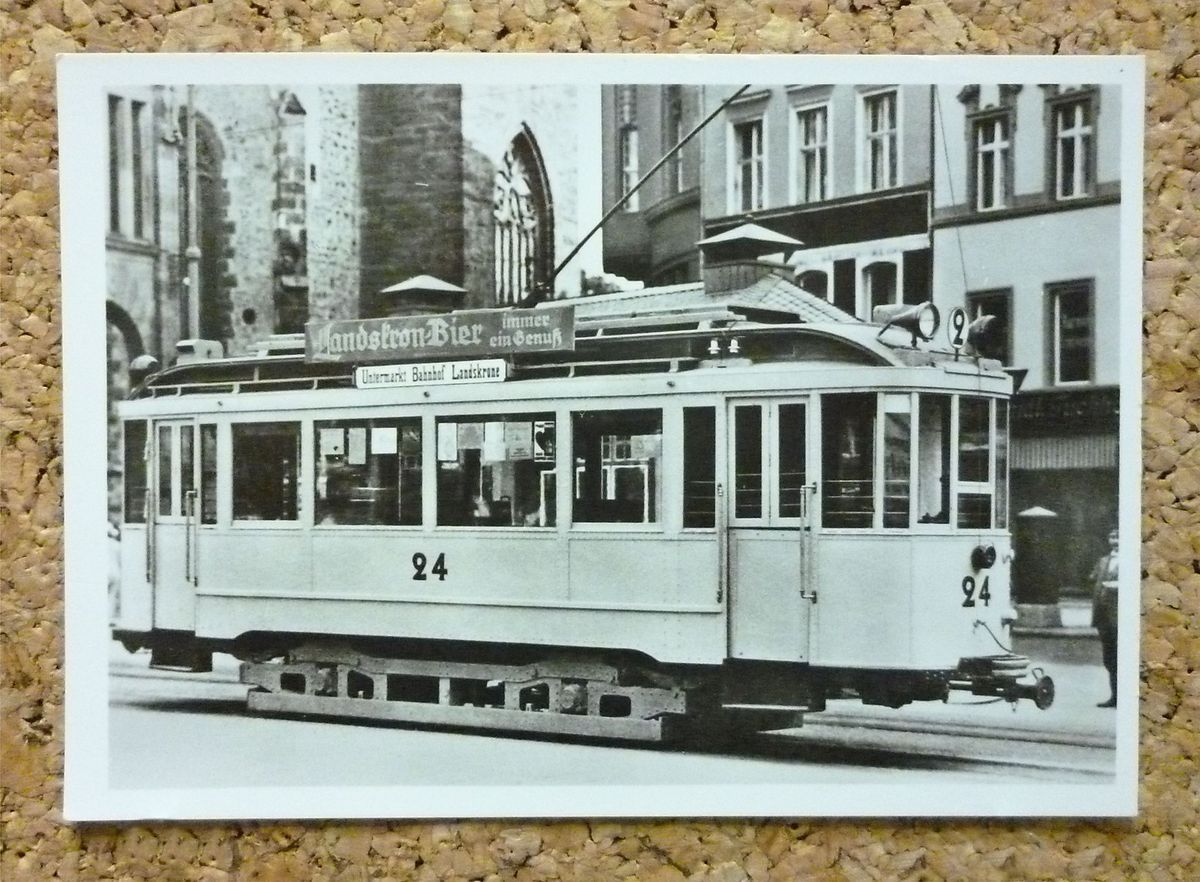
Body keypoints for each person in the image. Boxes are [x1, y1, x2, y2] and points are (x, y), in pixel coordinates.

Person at [1091, 529, 1120, 708]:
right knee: (1109, 658)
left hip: (1118, 615)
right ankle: (1114, 696)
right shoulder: (1103, 560)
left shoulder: (1130, 560)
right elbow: (1093, 577)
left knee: (1120, 657)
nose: (1114, 541)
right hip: (1103, 615)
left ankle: (1123, 697)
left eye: (1118, 538)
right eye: (1112, 537)